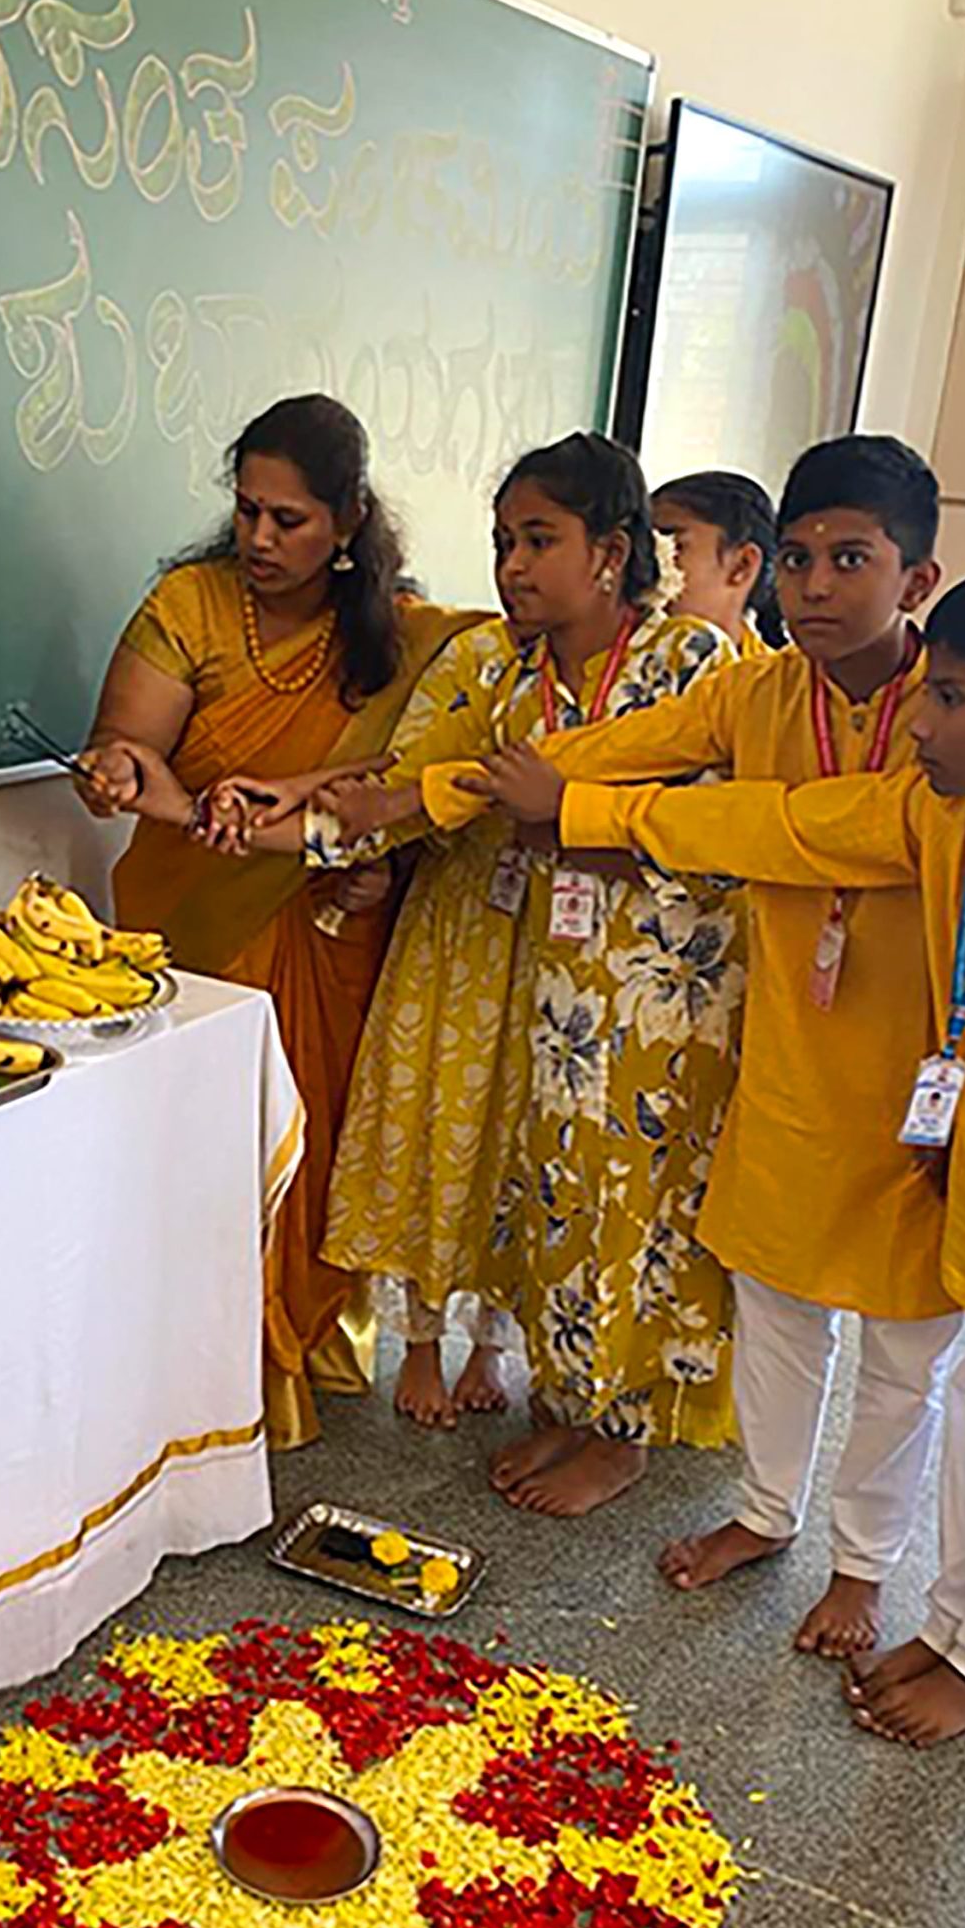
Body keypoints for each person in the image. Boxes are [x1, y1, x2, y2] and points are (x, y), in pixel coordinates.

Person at [534, 562, 965, 1743]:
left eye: (950, 698)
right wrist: (584, 811)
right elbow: (782, 825)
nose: (918, 723)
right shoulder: (944, 814)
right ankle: (953, 1629)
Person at [459, 436, 962, 1649]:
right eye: (798, 559)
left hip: (920, 1068)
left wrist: (590, 812)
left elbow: (816, 830)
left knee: (899, 1345)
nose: (817, 586)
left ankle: (862, 1565)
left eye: (852, 559)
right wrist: (459, 788)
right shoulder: (760, 692)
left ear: (918, 579)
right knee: (778, 1307)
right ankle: (767, 1512)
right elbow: (613, 748)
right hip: (786, 1043)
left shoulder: (954, 708)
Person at [263, 434, 742, 1506]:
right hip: (546, 982)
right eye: (501, 543)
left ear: (610, 553)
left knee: (639, 1204)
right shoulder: (510, 674)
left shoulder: (692, 665)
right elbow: (422, 789)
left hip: (661, 988)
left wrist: (567, 823)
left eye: (538, 541)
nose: (512, 566)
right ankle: (570, 1407)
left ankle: (625, 1436)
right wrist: (279, 818)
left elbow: (717, 826)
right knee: (560, 1195)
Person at [77, 394, 482, 1449]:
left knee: (304, 1150)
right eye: (247, 510)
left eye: (288, 519)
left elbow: (435, 761)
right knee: (199, 1159)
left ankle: (286, 1357)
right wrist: (122, 771)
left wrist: (307, 798)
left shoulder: (408, 637)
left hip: (326, 925)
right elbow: (128, 746)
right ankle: (190, 1378)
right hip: (192, 924)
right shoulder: (191, 604)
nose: (259, 537)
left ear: (349, 520)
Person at [653, 472, 784, 652]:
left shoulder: (777, 671)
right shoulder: (621, 657)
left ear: (742, 566)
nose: (645, 564)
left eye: (671, 545)